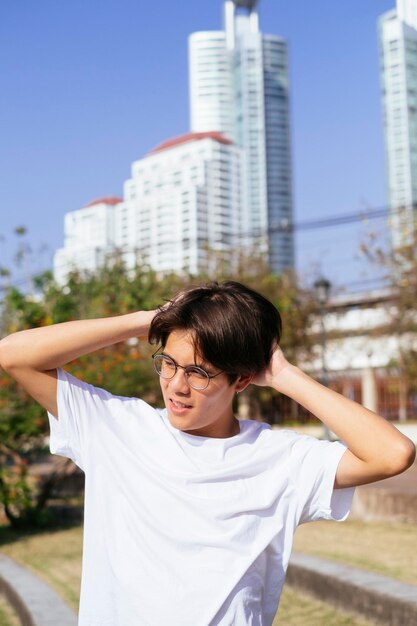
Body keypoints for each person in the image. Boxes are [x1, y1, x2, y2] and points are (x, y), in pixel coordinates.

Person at [0, 281, 414, 626]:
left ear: (242, 380)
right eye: (168, 364)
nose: (177, 386)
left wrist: (285, 375)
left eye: (199, 373)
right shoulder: (116, 427)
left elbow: (392, 454)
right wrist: (152, 319)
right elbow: (14, 354)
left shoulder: (278, 457)